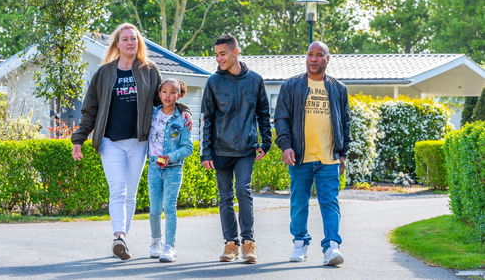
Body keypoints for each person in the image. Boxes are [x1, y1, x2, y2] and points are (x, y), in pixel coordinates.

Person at [71, 23, 191, 261]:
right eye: (125, 39)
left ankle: (122, 237)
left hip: (138, 141)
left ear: (139, 43)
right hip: (110, 141)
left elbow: (163, 99)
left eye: (133, 39)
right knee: (117, 189)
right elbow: (90, 109)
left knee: (131, 193)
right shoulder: (104, 73)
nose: (130, 43)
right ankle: (120, 237)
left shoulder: (149, 70)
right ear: (117, 44)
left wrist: (183, 109)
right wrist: (79, 138)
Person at [274, 41, 351, 266]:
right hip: (300, 156)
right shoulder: (291, 86)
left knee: (330, 202)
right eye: (310, 54)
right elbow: (281, 119)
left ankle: (332, 248)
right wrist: (286, 146)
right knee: (299, 202)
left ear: (328, 59)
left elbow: (345, 122)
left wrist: (343, 153)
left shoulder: (338, 88)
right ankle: (300, 243)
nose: (314, 59)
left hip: (329, 158)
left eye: (319, 55)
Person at [200, 33, 272, 264]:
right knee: (225, 197)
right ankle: (230, 244)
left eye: (223, 54)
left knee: (244, 191)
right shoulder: (213, 82)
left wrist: (266, 142)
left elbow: (263, 114)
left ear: (235, 52)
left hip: (246, 149)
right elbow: (207, 119)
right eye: (217, 55)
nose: (219, 59)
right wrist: (206, 152)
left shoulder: (255, 80)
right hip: (221, 150)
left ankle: (249, 242)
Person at [148, 78, 193, 263]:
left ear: (179, 95)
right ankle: (155, 242)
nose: (168, 96)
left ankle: (169, 247)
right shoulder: (152, 114)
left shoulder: (182, 118)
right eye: (164, 91)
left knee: (170, 208)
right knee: (154, 209)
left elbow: (188, 148)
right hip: (153, 166)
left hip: (173, 169)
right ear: (159, 94)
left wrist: (171, 157)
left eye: (173, 92)